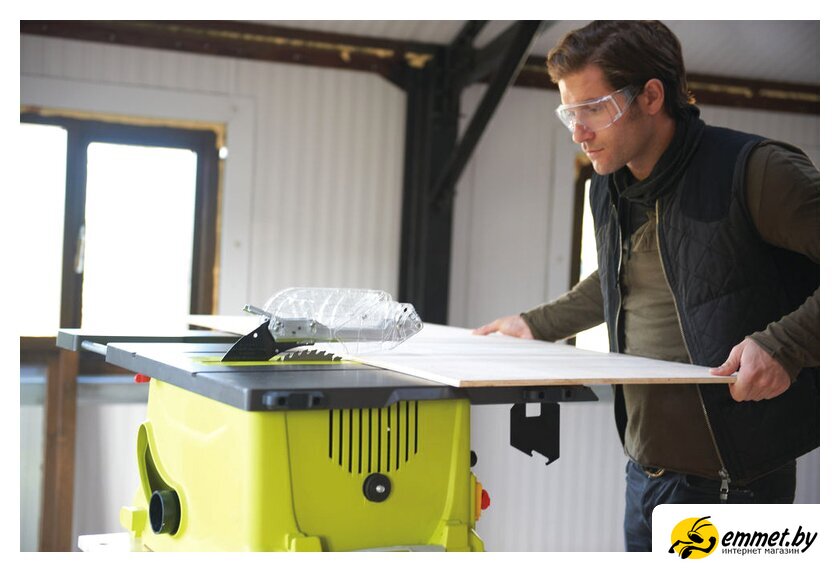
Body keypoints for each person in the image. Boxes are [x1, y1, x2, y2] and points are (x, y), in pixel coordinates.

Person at [473, 20, 819, 552]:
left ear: (652, 96)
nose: (578, 132)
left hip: (735, 489)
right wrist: (534, 325)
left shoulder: (756, 171)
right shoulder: (608, 187)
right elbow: (620, 280)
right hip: (645, 476)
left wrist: (785, 346)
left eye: (593, 108)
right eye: (569, 112)